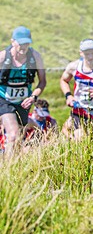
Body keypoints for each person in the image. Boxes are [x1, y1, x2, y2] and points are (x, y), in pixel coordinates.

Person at [0, 27, 46, 158]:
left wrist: (33, 97)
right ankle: (8, 170)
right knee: (13, 133)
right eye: (20, 43)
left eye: (26, 43)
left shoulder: (35, 57)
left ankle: (10, 166)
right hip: (3, 99)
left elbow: (42, 82)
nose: (23, 46)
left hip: (23, 102)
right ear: (13, 41)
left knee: (18, 137)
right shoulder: (3, 56)